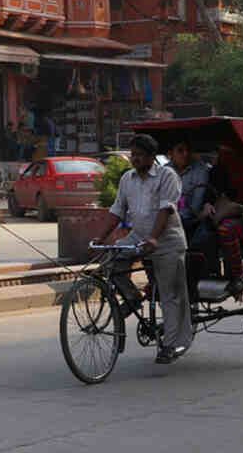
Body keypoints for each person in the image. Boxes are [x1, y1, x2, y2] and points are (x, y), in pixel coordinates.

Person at [93, 133, 192, 365]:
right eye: (132, 155)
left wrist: (154, 238)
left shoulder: (167, 176)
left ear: (150, 157)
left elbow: (166, 209)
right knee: (112, 258)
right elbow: (117, 210)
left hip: (167, 241)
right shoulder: (128, 179)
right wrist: (100, 237)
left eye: (139, 155)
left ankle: (171, 344)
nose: (134, 159)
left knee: (170, 294)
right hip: (137, 237)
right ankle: (131, 298)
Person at [207, 140, 243, 299]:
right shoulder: (216, 171)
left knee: (226, 229)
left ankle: (237, 277)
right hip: (222, 213)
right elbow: (210, 193)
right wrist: (207, 204)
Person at [169, 140, 215, 270]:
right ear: (170, 154)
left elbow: (195, 207)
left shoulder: (200, 170)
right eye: (180, 151)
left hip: (192, 219)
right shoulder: (165, 171)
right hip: (169, 218)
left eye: (187, 151)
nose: (185, 154)